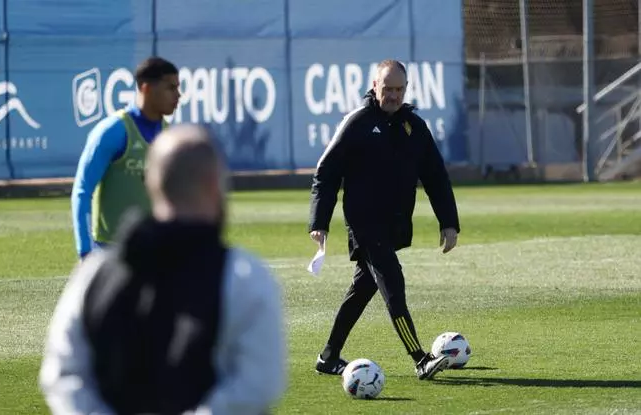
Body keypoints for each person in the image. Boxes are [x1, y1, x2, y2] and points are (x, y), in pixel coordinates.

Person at [40, 124, 287, 415]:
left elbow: (63, 374)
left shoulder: (95, 274)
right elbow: (258, 384)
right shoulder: (244, 277)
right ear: (213, 184)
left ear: (152, 183)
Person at [308, 59, 461, 380]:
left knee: (362, 289)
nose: (392, 95)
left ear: (405, 90)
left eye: (398, 89)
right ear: (374, 87)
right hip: (364, 224)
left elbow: (435, 176)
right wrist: (319, 221)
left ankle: (328, 356)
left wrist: (448, 221)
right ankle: (420, 358)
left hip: (393, 226)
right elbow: (326, 172)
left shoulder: (414, 127)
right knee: (393, 283)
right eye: (387, 88)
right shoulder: (358, 123)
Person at [71, 56, 180, 260]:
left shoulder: (169, 136)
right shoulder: (113, 131)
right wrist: (86, 251)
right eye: (170, 88)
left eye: (178, 88)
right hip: (111, 254)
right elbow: (82, 190)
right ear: (146, 88)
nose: (178, 95)